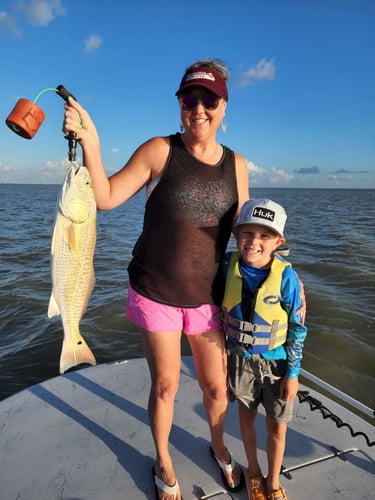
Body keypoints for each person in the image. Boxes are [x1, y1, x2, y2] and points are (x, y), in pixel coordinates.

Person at [63, 58, 249, 499]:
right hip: (157, 293)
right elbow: (104, 198)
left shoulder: (237, 165)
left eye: (210, 99)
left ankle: (219, 448)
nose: (199, 108)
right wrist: (91, 139)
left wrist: (275, 269)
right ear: (179, 103)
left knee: (215, 386)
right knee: (165, 385)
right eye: (190, 98)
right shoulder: (159, 151)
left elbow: (243, 234)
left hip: (208, 299)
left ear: (224, 106)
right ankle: (163, 461)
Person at [222, 198, 308, 500]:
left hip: (278, 367)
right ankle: (253, 470)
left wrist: (293, 374)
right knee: (246, 417)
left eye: (264, 235)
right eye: (247, 233)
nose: (254, 242)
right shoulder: (226, 267)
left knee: (278, 427)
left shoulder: (288, 279)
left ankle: (273, 480)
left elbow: (298, 329)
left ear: (278, 241)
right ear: (236, 233)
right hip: (240, 361)